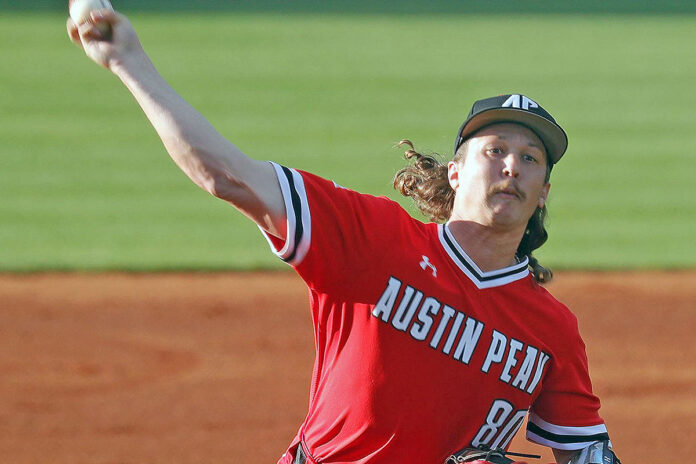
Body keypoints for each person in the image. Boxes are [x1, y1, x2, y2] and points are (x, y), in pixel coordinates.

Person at [67, 9, 621, 464]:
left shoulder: (553, 330)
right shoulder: (374, 239)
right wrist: (128, 60)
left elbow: (587, 452)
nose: (511, 168)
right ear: (455, 172)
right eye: (494, 151)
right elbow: (228, 175)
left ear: (543, 190)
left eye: (529, 159)